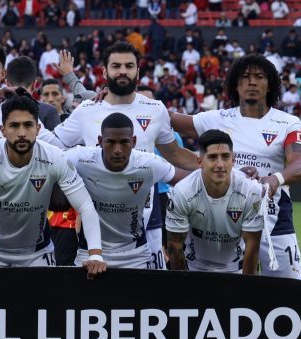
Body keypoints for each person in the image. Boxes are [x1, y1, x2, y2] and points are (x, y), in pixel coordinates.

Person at [54, 41, 201, 270]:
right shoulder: (86, 110)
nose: (122, 71)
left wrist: (216, 168)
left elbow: (176, 155)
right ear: (104, 71)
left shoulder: (155, 109)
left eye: (129, 66)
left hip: (147, 219)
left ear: (138, 72)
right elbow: (54, 146)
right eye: (116, 66)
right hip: (96, 222)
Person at [170, 55, 301, 278]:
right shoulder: (216, 119)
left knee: (290, 290)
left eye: (259, 77)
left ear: (270, 84)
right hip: (224, 220)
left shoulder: (288, 122)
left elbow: (300, 165)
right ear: (236, 84)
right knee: (229, 295)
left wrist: (275, 179)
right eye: (245, 77)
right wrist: (115, 97)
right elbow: (164, 117)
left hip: (273, 215)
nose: (251, 82)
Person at [0, 95, 105, 274]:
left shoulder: (54, 157)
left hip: (37, 254)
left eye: (28, 125)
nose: (22, 133)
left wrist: (95, 255)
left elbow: (85, 206)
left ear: (38, 128)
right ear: (2, 130)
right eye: (14, 126)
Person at [66, 113, 188, 268]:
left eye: (124, 142)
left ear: (134, 141)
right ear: (100, 141)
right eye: (110, 142)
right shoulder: (80, 159)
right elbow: (49, 163)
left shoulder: (148, 163)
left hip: (135, 255)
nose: (117, 150)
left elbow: (188, 181)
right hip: (90, 253)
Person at [164, 129, 265, 274]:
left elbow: (252, 247)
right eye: (212, 157)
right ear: (200, 162)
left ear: (233, 160)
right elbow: (175, 246)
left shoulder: (251, 190)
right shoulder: (182, 191)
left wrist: (246, 291)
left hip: (237, 269)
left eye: (225, 157)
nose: (220, 164)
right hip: (194, 269)